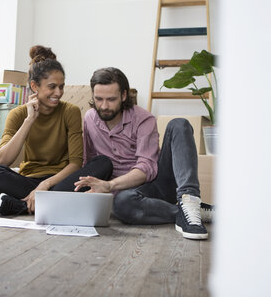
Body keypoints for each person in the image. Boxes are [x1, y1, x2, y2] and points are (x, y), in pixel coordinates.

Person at [73, 67, 209, 240]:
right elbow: (90, 161)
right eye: (98, 99)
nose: (104, 106)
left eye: (111, 99)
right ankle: (188, 213)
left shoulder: (144, 119)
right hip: (124, 197)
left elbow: (147, 168)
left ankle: (189, 201)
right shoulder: (90, 118)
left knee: (179, 124)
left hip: (156, 184)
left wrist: (110, 186)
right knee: (122, 204)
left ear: (123, 96)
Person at [0, 46, 112, 215]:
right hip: (29, 182)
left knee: (103, 163)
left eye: (61, 86)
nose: (58, 93)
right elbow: (3, 160)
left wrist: (44, 186)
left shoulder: (70, 111)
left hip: (62, 181)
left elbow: (75, 164)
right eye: (52, 87)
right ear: (35, 86)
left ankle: (22, 206)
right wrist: (29, 120)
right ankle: (50, 203)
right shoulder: (18, 114)